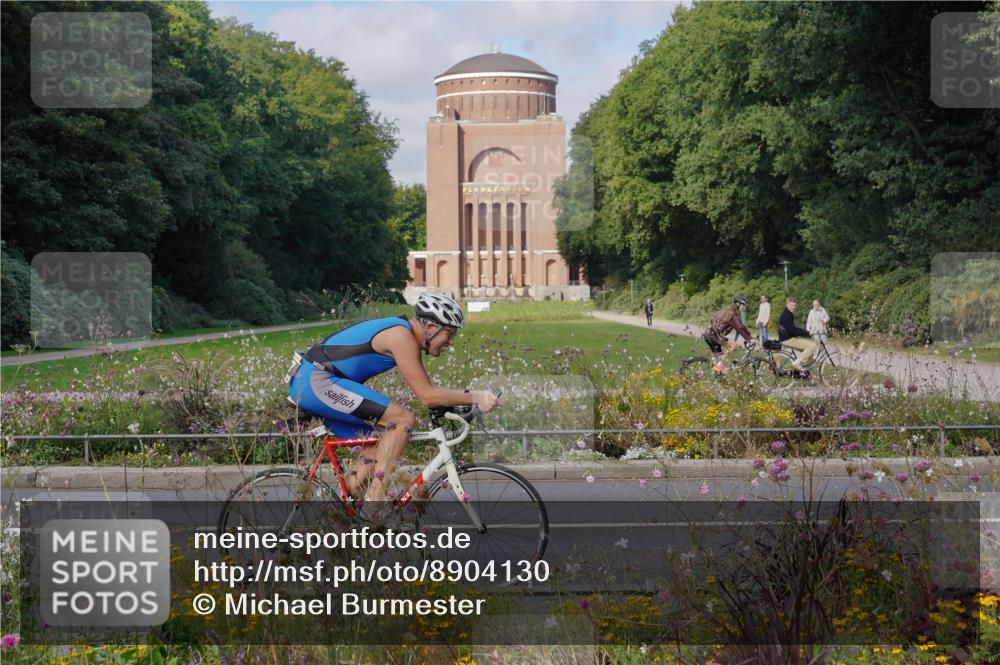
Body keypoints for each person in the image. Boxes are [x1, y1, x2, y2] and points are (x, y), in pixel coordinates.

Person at [287, 292, 500, 502]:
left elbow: (428, 393)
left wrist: (458, 403)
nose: (451, 342)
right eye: (450, 334)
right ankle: (376, 505)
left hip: (312, 381)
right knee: (402, 421)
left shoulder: (403, 334)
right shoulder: (401, 336)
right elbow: (427, 395)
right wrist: (476, 396)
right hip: (316, 380)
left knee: (380, 449)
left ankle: (343, 516)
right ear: (432, 327)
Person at [703, 295, 754, 372]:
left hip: (709, 334)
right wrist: (749, 338)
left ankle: (719, 373)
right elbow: (739, 327)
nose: (744, 308)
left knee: (720, 359)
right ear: (738, 304)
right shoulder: (733, 314)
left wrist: (750, 336)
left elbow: (741, 326)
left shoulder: (729, 311)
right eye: (744, 305)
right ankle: (718, 367)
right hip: (714, 335)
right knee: (733, 344)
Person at [777, 297, 817, 371]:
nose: (793, 307)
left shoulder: (788, 313)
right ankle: (797, 364)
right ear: (787, 305)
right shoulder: (786, 315)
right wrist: (807, 333)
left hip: (788, 337)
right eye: (791, 305)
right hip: (788, 339)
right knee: (812, 346)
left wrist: (804, 333)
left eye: (795, 305)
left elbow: (792, 329)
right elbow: (792, 331)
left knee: (809, 352)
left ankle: (802, 371)